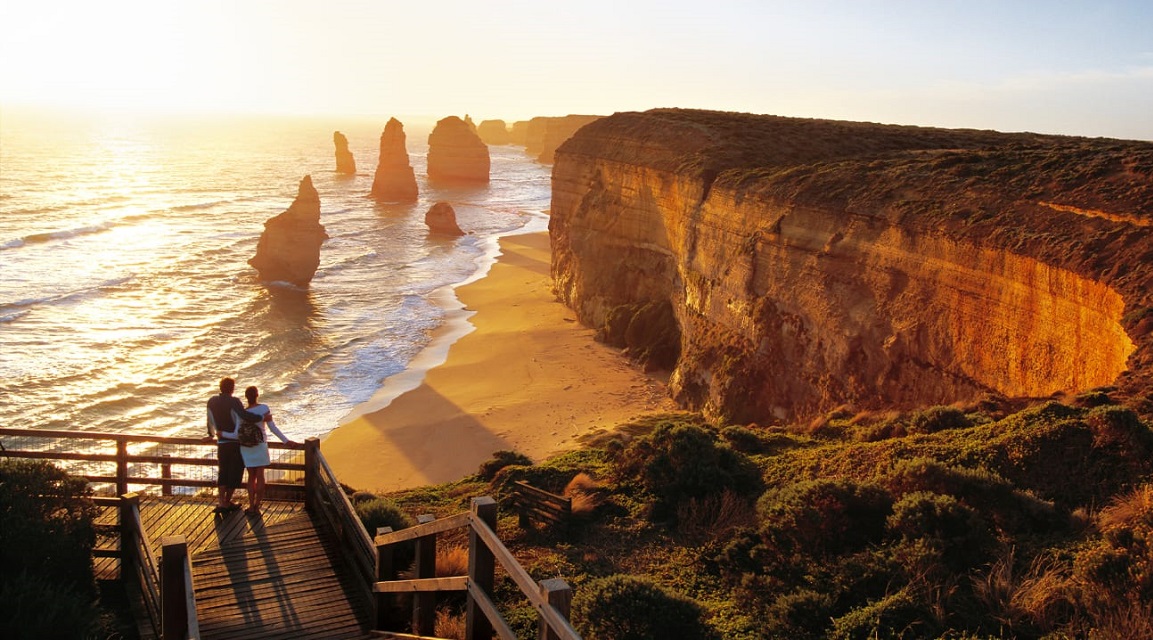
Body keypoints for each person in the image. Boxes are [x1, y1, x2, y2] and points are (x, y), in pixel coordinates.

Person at [204, 377, 267, 515]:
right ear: (232, 388)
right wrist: (262, 418)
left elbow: (209, 419)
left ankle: (222, 502)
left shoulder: (212, 401)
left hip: (221, 442)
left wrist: (211, 434)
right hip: (235, 442)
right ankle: (227, 500)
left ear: (220, 387)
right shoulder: (234, 401)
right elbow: (244, 415)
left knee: (223, 471)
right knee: (235, 472)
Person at [239, 385, 294, 516]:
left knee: (251, 477)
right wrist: (286, 441)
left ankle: (251, 505)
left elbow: (237, 431)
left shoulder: (242, 413)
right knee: (260, 476)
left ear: (246, 397)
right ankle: (257, 506)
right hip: (260, 444)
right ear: (257, 395)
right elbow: (272, 428)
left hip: (246, 447)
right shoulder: (263, 408)